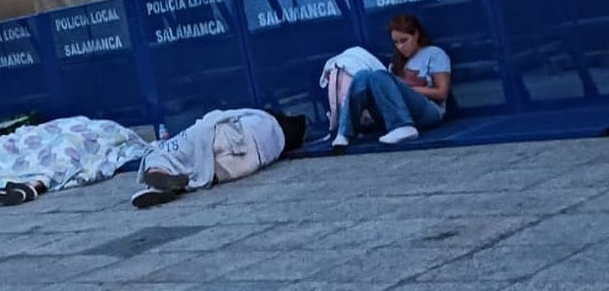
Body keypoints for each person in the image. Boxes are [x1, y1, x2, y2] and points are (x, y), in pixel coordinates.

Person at [0, 116, 149, 208]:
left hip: (69, 139)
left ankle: (31, 186)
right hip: (38, 139)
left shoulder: (104, 130)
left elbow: (110, 142)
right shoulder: (48, 128)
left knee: (65, 152)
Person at [130, 109, 306, 208]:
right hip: (239, 139)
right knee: (206, 161)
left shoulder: (158, 153)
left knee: (207, 169)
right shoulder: (264, 120)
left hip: (233, 149)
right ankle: (164, 184)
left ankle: (165, 183)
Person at [332, 13, 451, 147]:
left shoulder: (434, 53)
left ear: (416, 35)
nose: (400, 46)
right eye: (396, 42)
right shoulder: (396, 63)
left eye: (404, 40)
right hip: (391, 115)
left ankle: (403, 126)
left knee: (379, 75)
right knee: (362, 75)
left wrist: (405, 88)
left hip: (428, 112)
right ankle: (344, 133)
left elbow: (442, 93)